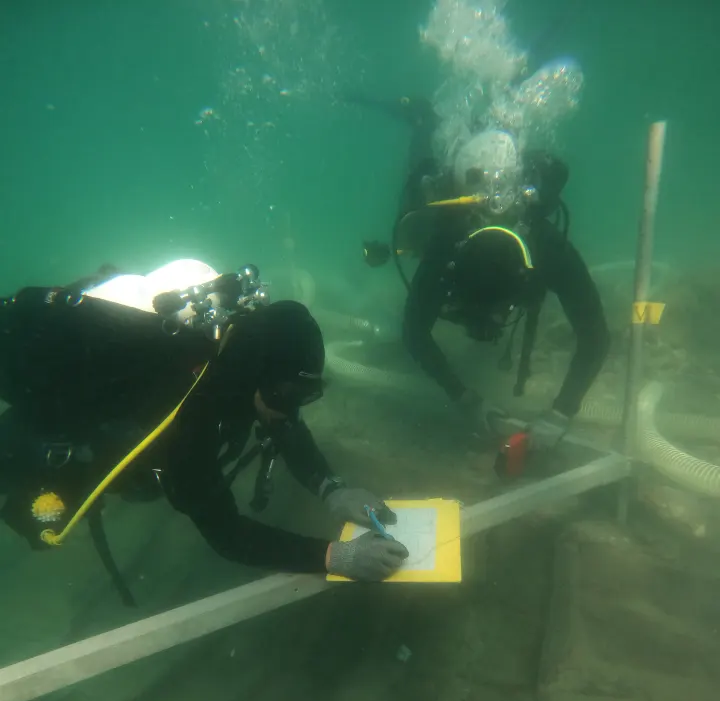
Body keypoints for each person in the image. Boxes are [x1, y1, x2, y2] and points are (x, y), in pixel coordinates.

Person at [0, 260, 409, 594]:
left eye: (303, 395)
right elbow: (226, 534)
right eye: (286, 394)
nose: (290, 409)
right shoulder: (187, 405)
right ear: (257, 377)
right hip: (52, 418)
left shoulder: (245, 353)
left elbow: (282, 422)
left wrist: (333, 488)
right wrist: (336, 556)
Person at [348, 95, 610, 451]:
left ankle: (453, 119)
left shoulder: (545, 245)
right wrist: (466, 399)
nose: (494, 316)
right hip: (440, 229)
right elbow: (413, 332)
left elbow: (595, 336)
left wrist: (562, 412)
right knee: (415, 201)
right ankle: (424, 123)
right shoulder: (444, 241)